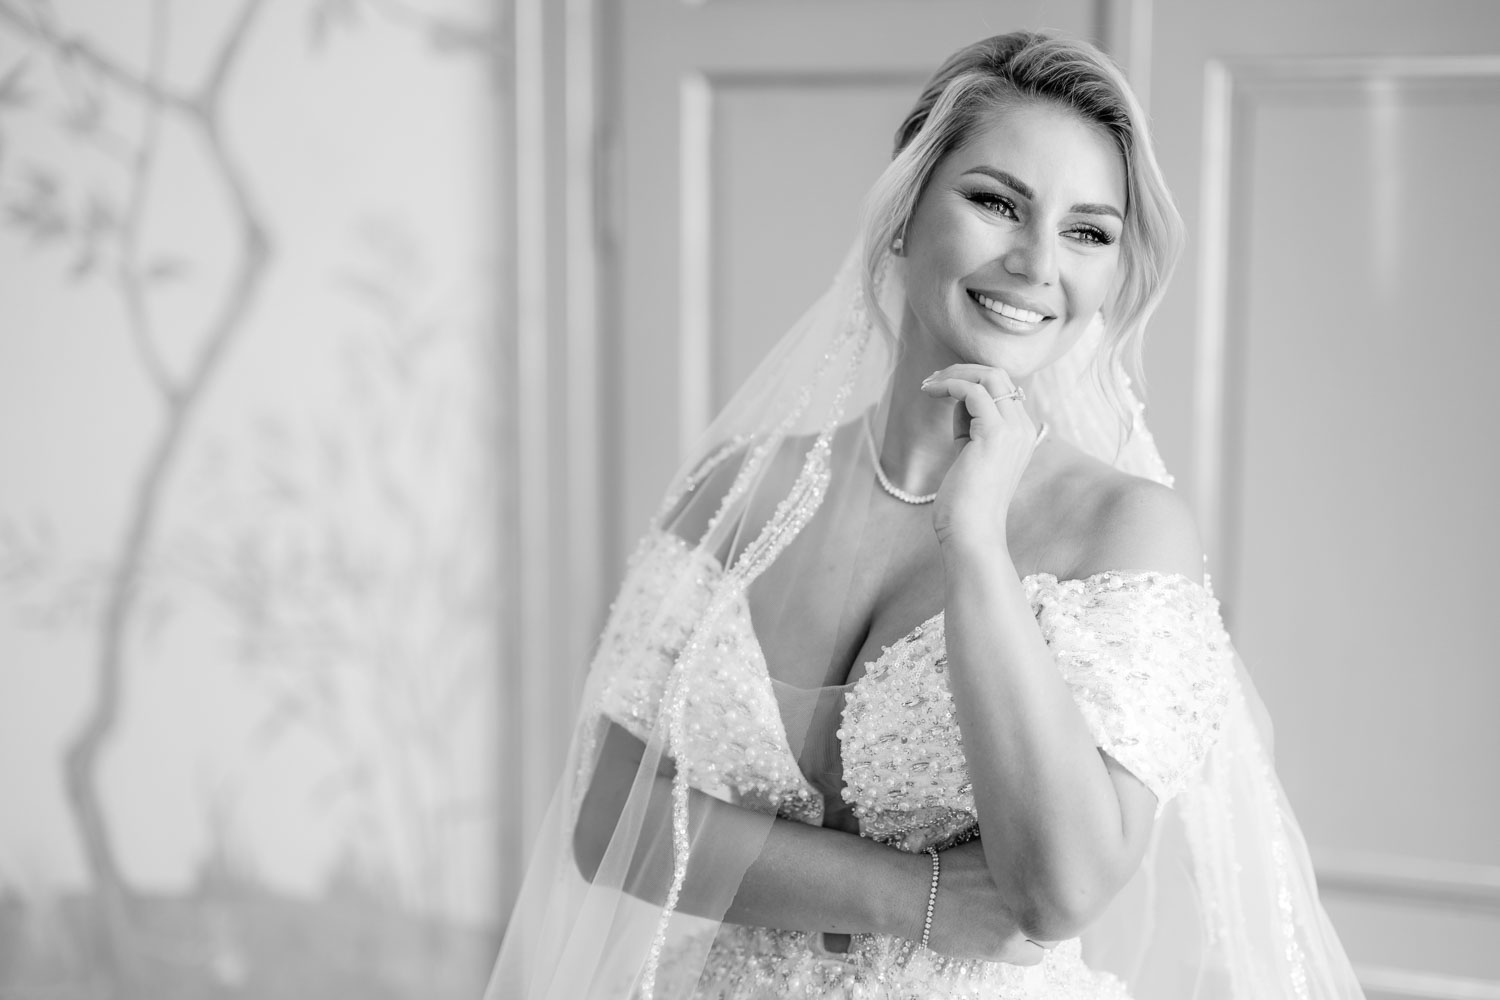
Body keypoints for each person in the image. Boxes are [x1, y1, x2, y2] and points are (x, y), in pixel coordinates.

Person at [486, 30, 1365, 1000]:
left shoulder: (1125, 530)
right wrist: (924, 896)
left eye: (1089, 231)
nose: (1037, 263)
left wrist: (978, 548)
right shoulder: (736, 491)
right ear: (906, 212)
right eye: (997, 201)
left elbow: (1059, 888)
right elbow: (608, 818)